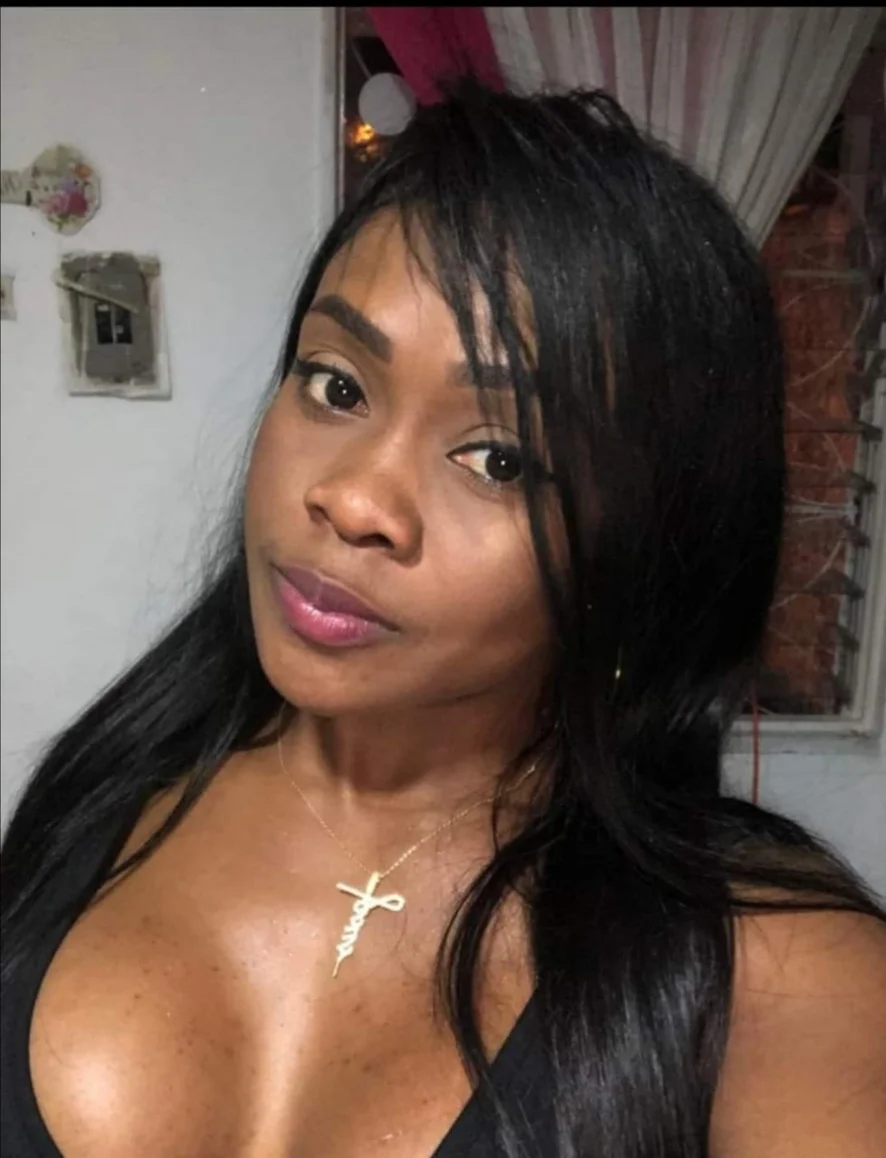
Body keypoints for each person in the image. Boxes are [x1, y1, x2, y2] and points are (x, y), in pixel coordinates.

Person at [2, 80, 884, 1158]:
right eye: (336, 386)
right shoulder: (108, 785)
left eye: (498, 458)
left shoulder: (781, 984)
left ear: (648, 544)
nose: (351, 500)